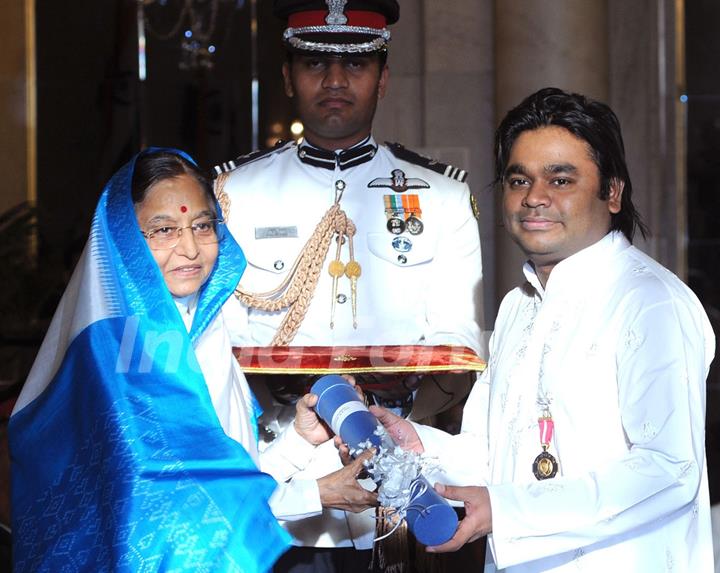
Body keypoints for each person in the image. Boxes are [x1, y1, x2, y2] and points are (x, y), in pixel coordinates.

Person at [373, 87, 716, 572]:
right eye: (519, 180)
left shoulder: (649, 301)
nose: (535, 198)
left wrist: (508, 511)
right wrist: (420, 444)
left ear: (612, 192)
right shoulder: (519, 306)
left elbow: (669, 469)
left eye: (560, 180)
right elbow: (493, 454)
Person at [212, 0, 484, 570]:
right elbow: (222, 348)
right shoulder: (237, 195)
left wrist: (393, 431)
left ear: (382, 79)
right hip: (283, 482)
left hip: (403, 489)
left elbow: (459, 344)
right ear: (288, 76)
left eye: (355, 66)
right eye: (315, 64)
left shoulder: (440, 197)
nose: (335, 81)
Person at [8, 149, 372, 572]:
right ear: (125, 238)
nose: (189, 249)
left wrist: (297, 441)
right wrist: (315, 495)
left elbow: (225, 471)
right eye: (163, 230)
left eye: (202, 225)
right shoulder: (124, 350)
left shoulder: (202, 324)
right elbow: (172, 503)